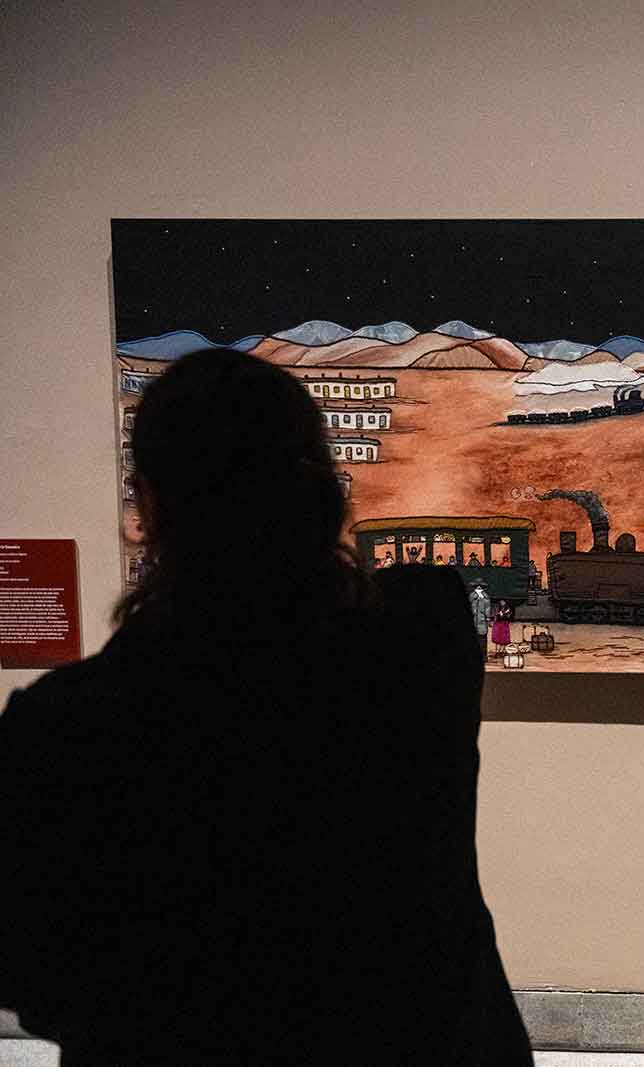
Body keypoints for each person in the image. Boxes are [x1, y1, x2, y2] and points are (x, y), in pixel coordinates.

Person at [0, 349, 531, 1066]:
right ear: (322, 486)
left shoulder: (67, 725)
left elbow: (30, 970)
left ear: (150, 506)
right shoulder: (423, 642)